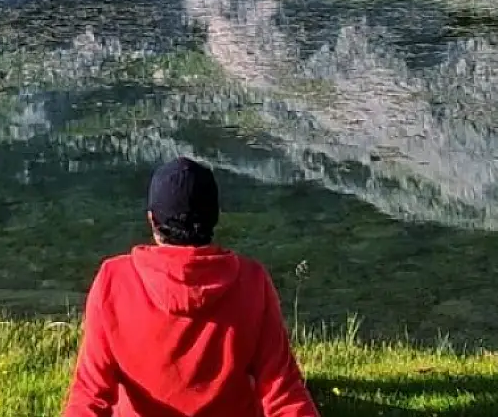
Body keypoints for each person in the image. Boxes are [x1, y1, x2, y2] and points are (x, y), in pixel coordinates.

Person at [63, 157, 321, 417]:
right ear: (215, 218)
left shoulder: (114, 279)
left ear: (152, 221)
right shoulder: (252, 280)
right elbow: (283, 390)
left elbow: (89, 395)